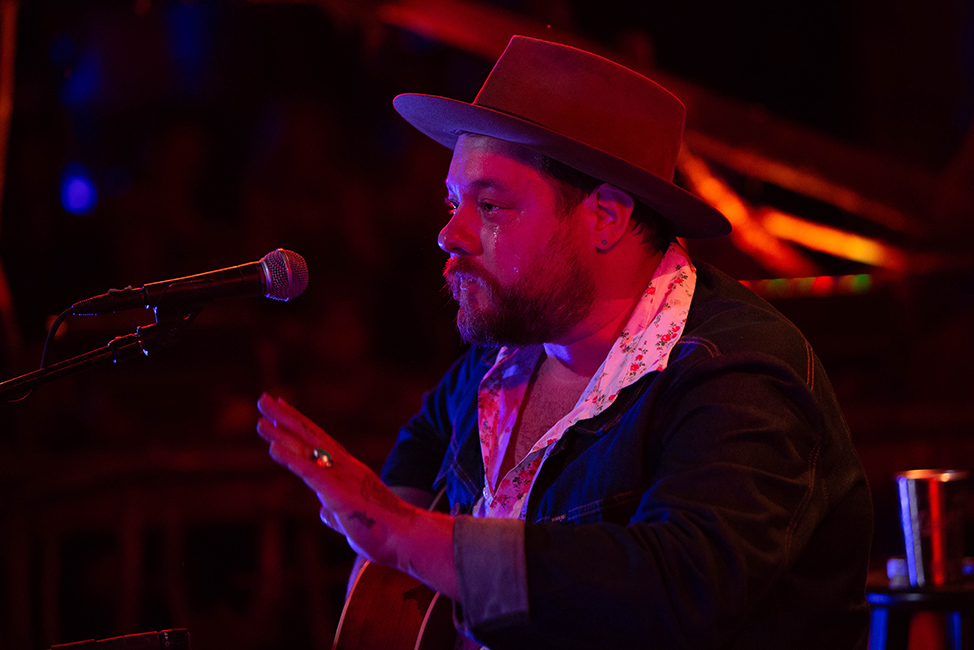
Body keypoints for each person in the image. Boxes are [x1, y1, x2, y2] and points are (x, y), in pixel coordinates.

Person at [256, 36, 873, 650]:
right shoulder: (509, 350)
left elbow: (680, 588)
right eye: (453, 201)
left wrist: (408, 537)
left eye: (490, 206)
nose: (450, 233)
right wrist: (387, 581)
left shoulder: (740, 374)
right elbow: (425, 439)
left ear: (606, 217)